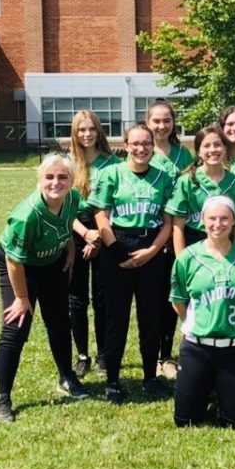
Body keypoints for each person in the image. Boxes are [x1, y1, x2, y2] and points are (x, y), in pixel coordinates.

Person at [0, 154, 87, 423]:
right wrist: (22, 297)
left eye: (62, 177)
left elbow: (66, 224)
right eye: (49, 177)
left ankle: (67, 377)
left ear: (71, 180)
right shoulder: (26, 216)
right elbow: (14, 260)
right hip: (20, 266)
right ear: (39, 179)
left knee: (59, 321)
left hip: (51, 261)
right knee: (16, 326)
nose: (56, 182)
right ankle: (2, 399)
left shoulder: (72, 198)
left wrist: (68, 247)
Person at [89, 124, 174, 404]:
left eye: (146, 143)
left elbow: (169, 221)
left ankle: (150, 376)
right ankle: (113, 379)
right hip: (117, 246)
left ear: (153, 145)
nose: (141, 148)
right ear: (126, 144)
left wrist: (151, 251)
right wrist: (116, 250)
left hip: (151, 247)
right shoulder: (111, 173)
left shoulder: (163, 177)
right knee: (117, 316)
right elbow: (100, 214)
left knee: (151, 316)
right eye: (135, 143)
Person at [170, 196, 235, 427]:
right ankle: (206, 391)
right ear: (203, 221)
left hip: (234, 350)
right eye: (212, 218)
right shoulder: (187, 258)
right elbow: (179, 301)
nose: (218, 224)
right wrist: (197, 323)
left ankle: (221, 392)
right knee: (186, 421)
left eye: (224, 218)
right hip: (196, 348)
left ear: (234, 221)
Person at [67, 110, 118, 379]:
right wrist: (84, 234)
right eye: (81, 130)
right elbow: (62, 207)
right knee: (76, 299)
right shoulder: (68, 164)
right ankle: (82, 355)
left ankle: (104, 355)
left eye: (92, 129)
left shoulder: (112, 164)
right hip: (75, 230)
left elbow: (111, 205)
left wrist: (97, 236)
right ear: (75, 133)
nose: (87, 134)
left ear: (99, 131)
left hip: (104, 229)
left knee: (102, 299)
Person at [146, 99, 195, 381]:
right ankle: (151, 355)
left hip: (178, 232)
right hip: (150, 233)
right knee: (150, 299)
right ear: (147, 122)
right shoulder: (142, 152)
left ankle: (166, 356)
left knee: (172, 295)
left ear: (173, 123)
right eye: (156, 121)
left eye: (167, 121)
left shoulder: (184, 156)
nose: (162, 126)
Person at [166, 124, 235, 251]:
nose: (213, 150)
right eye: (206, 146)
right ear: (198, 152)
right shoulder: (187, 181)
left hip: (226, 242)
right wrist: (181, 260)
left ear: (225, 148)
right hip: (194, 242)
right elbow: (178, 227)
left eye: (217, 145)